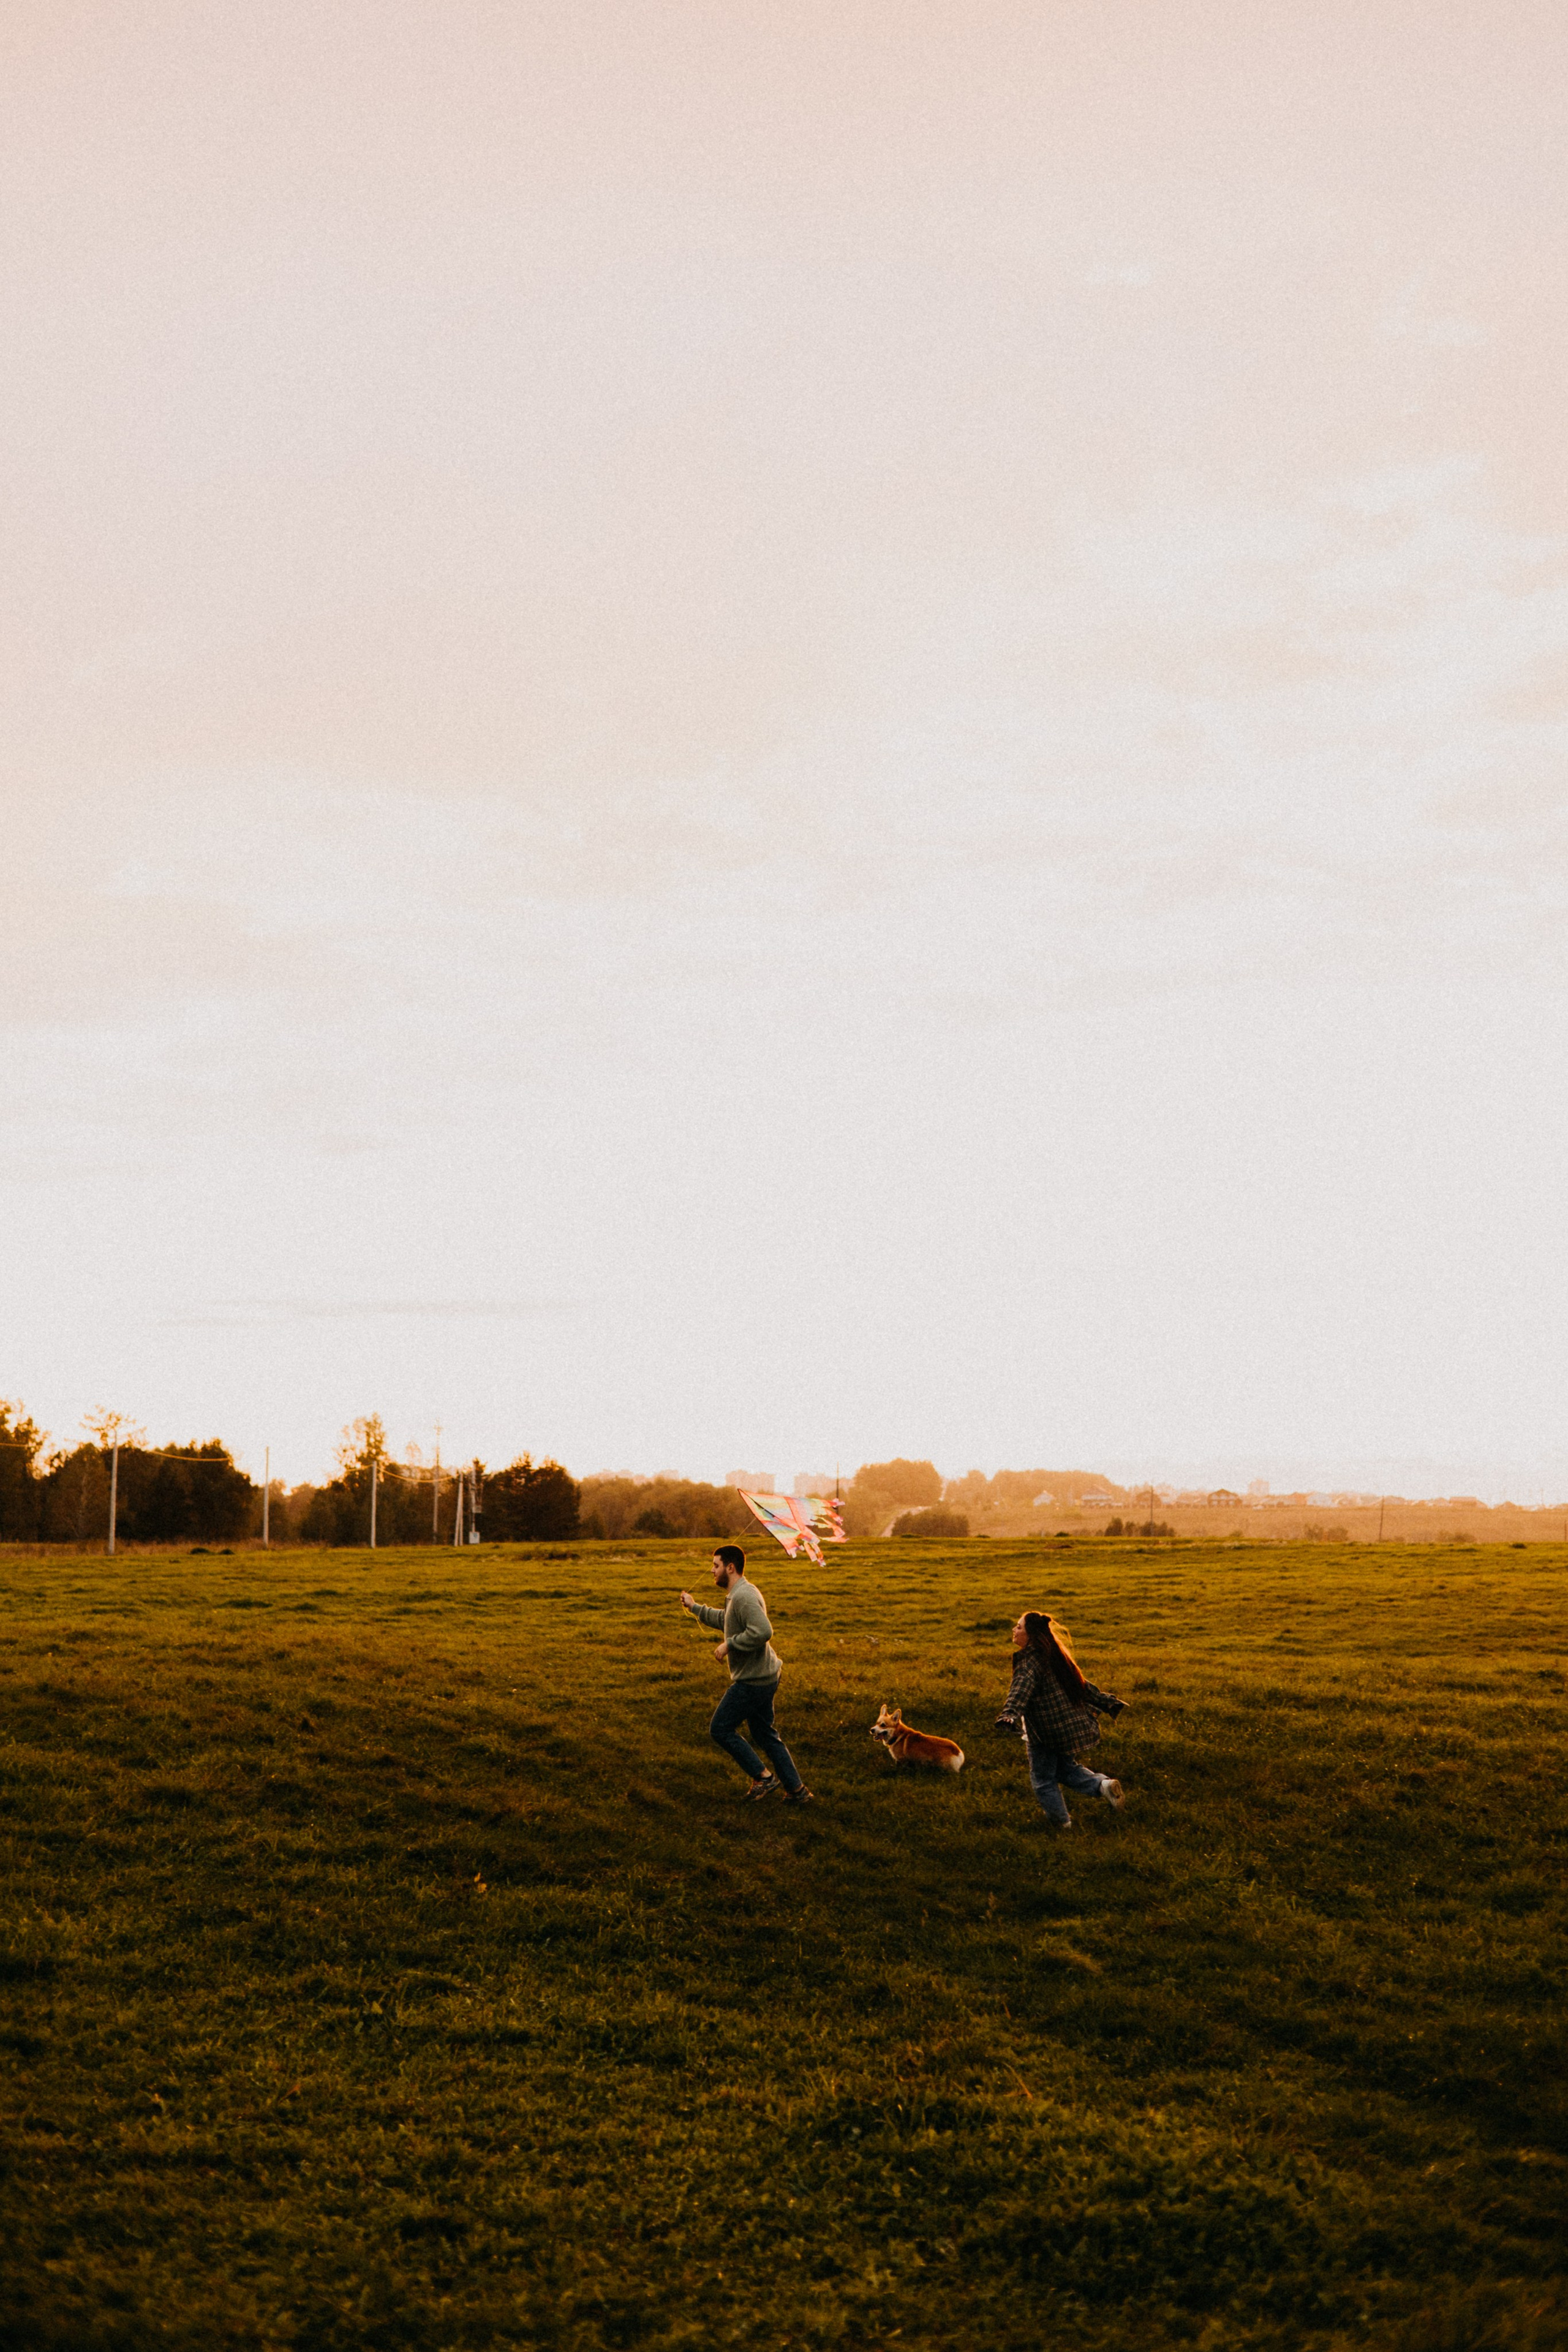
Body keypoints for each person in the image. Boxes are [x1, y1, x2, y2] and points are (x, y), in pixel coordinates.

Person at [679, 1545, 813, 1803]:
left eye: (716, 1566)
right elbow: (727, 1620)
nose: (712, 1571)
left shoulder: (744, 1596)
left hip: (753, 1681)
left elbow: (763, 1631)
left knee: (720, 1729)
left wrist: (730, 1644)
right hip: (765, 1676)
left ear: (731, 1568)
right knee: (765, 1735)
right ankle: (798, 1792)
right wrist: (695, 1607)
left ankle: (764, 1778)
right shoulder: (737, 1595)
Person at [995, 1610, 1127, 1827]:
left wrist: (1009, 1714)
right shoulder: (1055, 1656)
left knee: (1043, 1780)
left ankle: (1061, 1824)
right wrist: (1107, 1701)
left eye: (1019, 1627)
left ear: (1032, 1635)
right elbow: (1083, 1686)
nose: (1014, 1630)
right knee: (1066, 1770)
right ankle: (1104, 1786)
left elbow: (1019, 1691)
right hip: (1067, 1729)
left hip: (1046, 1734)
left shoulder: (1029, 1662)